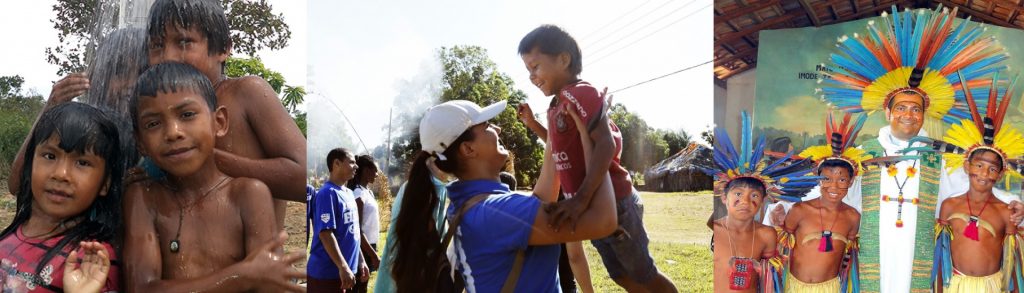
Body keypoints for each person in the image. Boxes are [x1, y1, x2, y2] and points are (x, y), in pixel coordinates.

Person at [768, 6, 1024, 291]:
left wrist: (1011, 201)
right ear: (887, 113)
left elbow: (973, 184)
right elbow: (828, 189)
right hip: (875, 251)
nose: (908, 115)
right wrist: (783, 206)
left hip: (919, 250)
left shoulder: (937, 156)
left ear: (924, 115)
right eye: (901, 108)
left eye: (916, 109)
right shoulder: (864, 155)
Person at [390, 99, 618, 292]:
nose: (498, 129)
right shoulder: (493, 213)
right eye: (487, 125)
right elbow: (603, 221)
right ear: (468, 149)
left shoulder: (478, 206)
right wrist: (598, 136)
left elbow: (542, 200)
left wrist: (556, 129)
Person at [518, 24, 677, 292]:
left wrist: (580, 199)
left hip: (614, 201)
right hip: (589, 207)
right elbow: (561, 151)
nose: (532, 76)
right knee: (618, 274)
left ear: (563, 59)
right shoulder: (557, 105)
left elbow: (604, 143)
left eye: (535, 66)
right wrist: (534, 125)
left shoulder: (581, 92)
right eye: (528, 71)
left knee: (644, 274)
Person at [122, 63, 304, 291]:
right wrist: (241, 275)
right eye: (153, 123)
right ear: (140, 142)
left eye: (187, 114)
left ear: (219, 122)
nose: (173, 132)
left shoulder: (247, 194)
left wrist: (255, 276)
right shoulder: (144, 197)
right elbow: (141, 289)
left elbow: (270, 284)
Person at [146, 0, 307, 230]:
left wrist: (214, 161)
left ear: (223, 48)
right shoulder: (155, 113)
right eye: (157, 46)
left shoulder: (245, 94)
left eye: (183, 42)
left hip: (257, 262)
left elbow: (303, 179)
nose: (168, 57)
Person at [0, 102, 133, 292]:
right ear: (30, 167)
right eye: (50, 156)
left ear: (105, 184)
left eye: (82, 162)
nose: (61, 174)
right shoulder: (14, 232)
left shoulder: (92, 260)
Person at [7, 27, 147, 196]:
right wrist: (50, 107)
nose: (131, 83)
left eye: (142, 72)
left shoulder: (159, 133)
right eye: (119, 71)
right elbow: (17, 185)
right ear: (98, 79)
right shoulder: (85, 130)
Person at [923, 80, 1024, 292]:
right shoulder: (950, 206)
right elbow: (940, 255)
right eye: (979, 165)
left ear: (1000, 174)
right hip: (956, 285)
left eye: (992, 169)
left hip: (992, 286)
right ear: (967, 166)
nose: (984, 174)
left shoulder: (1006, 212)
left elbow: (1012, 261)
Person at [704, 111, 819, 292]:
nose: (746, 201)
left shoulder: (767, 234)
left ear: (763, 199)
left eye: (754, 196)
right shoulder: (717, 228)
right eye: (738, 194)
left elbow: (771, 278)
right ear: (724, 197)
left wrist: (762, 268)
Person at [777, 112, 868, 292]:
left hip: (830, 287)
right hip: (793, 285)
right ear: (818, 180)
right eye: (826, 179)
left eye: (841, 180)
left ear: (850, 182)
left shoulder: (852, 217)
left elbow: (850, 254)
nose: (833, 186)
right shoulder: (800, 210)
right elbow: (781, 247)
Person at [374, 157, 452, 293]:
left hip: (398, 263)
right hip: (418, 269)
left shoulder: (411, 185)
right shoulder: (435, 189)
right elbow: (433, 234)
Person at [308, 148, 367, 292]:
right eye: (352, 162)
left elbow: (353, 233)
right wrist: (343, 266)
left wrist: (361, 260)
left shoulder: (349, 193)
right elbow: (325, 234)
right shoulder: (327, 193)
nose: (356, 166)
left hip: (346, 274)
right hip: (327, 275)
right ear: (336, 163)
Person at [347, 154, 382, 293]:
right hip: (362, 248)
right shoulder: (357, 194)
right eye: (375, 170)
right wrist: (372, 255)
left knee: (363, 286)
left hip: (370, 246)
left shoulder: (368, 192)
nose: (377, 174)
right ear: (366, 171)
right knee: (357, 287)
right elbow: (357, 230)